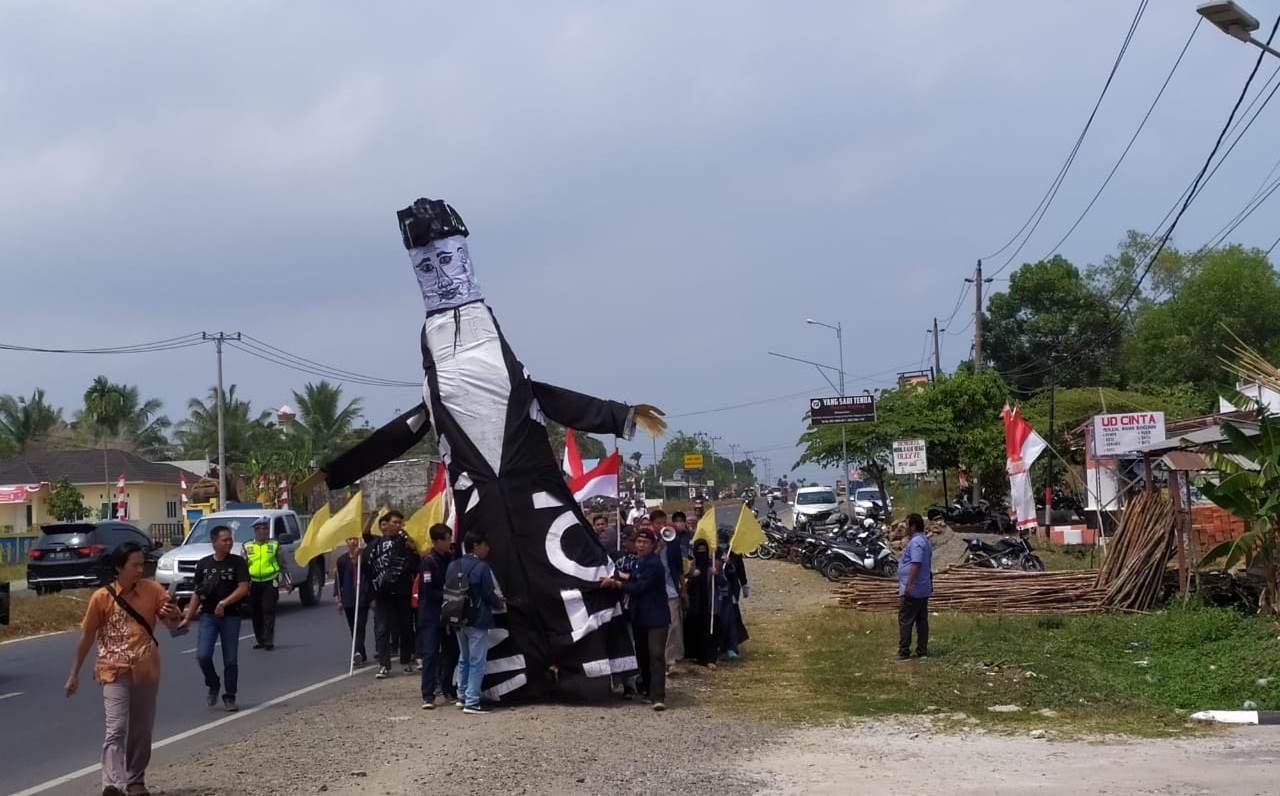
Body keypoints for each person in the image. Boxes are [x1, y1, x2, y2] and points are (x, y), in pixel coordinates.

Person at [67, 542, 181, 796]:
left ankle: (135, 779)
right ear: (119, 567)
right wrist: (74, 673)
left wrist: (174, 613)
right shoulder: (101, 598)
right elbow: (86, 637)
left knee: (141, 729)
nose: (141, 570)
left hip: (146, 670)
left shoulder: (153, 591)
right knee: (116, 728)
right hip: (112, 670)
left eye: (143, 564)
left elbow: (176, 628)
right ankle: (113, 784)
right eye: (135, 565)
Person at [180, 525, 249, 712]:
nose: (228, 543)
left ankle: (230, 696)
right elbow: (198, 592)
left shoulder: (238, 563)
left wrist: (224, 603)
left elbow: (243, 588)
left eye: (230, 539)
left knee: (230, 659)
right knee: (202, 655)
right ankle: (213, 683)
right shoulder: (203, 564)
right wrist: (188, 615)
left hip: (231, 616)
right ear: (214, 542)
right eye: (224, 540)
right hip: (209, 616)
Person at [602, 528, 669, 710]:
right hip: (640, 617)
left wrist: (616, 583)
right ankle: (647, 690)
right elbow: (631, 575)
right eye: (638, 542)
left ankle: (658, 696)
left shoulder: (654, 564)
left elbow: (639, 587)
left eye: (645, 542)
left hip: (657, 618)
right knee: (642, 656)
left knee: (656, 655)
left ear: (653, 545)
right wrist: (615, 575)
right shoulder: (639, 562)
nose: (641, 545)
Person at [447, 529, 505, 714]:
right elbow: (488, 594)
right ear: (476, 546)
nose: (488, 548)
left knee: (463, 658)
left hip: (456, 617)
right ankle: (472, 701)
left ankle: (461, 695)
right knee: (477, 661)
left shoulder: (453, 565)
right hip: (477, 618)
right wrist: (500, 603)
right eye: (485, 545)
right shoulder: (482, 567)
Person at [366, 510, 419, 678]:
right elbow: (365, 534)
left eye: (400, 523)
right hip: (382, 594)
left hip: (402, 593)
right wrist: (372, 596)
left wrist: (413, 549)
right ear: (386, 524)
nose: (397, 525)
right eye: (394, 522)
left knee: (406, 628)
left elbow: (415, 566)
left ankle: (406, 661)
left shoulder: (406, 543)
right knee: (382, 629)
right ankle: (384, 664)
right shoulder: (376, 543)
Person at [415, 523, 455, 709]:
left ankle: (447, 689)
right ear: (438, 541)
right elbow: (428, 590)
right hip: (431, 615)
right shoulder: (428, 562)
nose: (450, 542)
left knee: (449, 654)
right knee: (430, 654)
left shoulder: (450, 558)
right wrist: (450, 594)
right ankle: (428, 695)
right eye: (447, 539)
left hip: (447, 614)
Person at [243, 517, 287, 651]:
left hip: (270, 582)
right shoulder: (247, 546)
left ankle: (268, 640)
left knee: (268, 610)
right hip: (253, 583)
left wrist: (286, 581)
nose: (263, 533)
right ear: (255, 532)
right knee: (256, 612)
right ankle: (260, 640)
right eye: (260, 530)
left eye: (265, 529)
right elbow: (243, 566)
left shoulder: (274, 545)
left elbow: (282, 564)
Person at [651, 509, 685, 674]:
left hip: (671, 588)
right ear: (653, 525)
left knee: (674, 624)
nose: (662, 526)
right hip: (654, 590)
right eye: (658, 523)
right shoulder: (648, 541)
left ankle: (670, 660)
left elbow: (678, 567)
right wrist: (657, 548)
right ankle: (657, 659)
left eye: (664, 523)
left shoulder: (673, 542)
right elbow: (645, 561)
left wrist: (683, 589)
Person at [897, 513, 933, 660]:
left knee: (906, 619)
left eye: (906, 524)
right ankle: (922, 651)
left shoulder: (917, 542)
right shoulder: (924, 540)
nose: (903, 527)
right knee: (921, 620)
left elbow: (916, 563)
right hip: (922, 588)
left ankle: (904, 651)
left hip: (914, 588)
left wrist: (909, 585)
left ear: (912, 526)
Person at [335, 535, 372, 665]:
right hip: (348, 599)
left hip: (362, 598)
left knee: (360, 626)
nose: (353, 542)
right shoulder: (341, 560)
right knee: (353, 628)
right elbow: (339, 581)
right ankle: (361, 653)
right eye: (350, 539)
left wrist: (358, 559)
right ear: (346, 542)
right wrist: (339, 599)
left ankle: (356, 652)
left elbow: (370, 576)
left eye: (355, 539)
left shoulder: (366, 558)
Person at [682, 538, 718, 669]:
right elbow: (686, 583)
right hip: (694, 605)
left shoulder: (712, 564)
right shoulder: (692, 565)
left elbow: (722, 583)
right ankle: (694, 654)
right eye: (699, 551)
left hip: (708, 604)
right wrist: (692, 575)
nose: (701, 553)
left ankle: (709, 657)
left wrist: (716, 574)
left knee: (708, 630)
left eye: (704, 551)